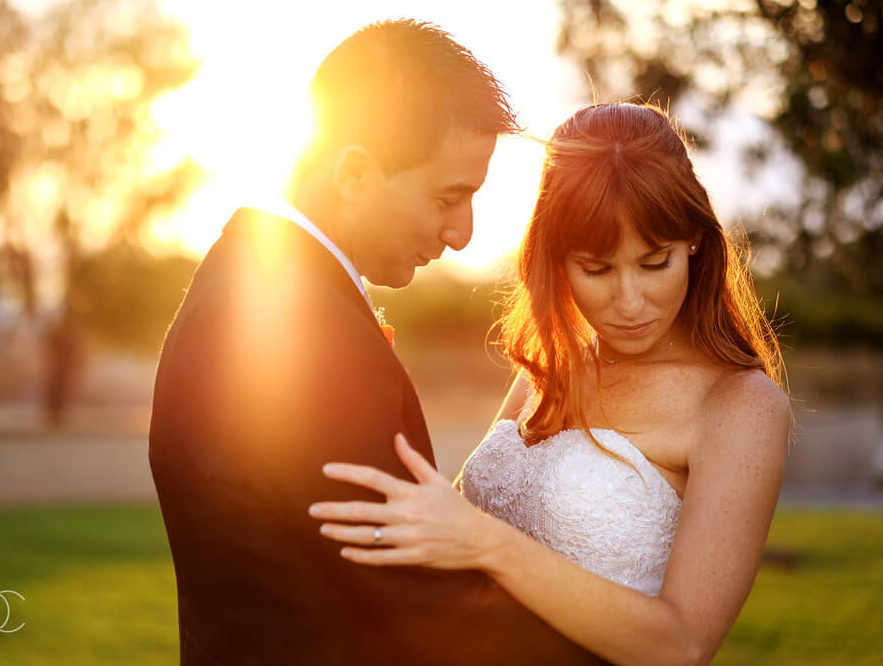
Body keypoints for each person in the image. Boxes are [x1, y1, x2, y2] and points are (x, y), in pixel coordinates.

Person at [148, 19, 604, 664]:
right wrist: (626, 645)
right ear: (356, 173)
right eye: (450, 197)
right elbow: (417, 606)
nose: (463, 234)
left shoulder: (242, 279)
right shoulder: (306, 334)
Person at [309, 102, 792, 666]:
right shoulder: (548, 365)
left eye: (655, 262)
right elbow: (455, 523)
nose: (630, 301)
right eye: (596, 268)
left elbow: (680, 645)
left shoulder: (740, 406)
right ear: (556, 259)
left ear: (693, 242)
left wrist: (489, 546)